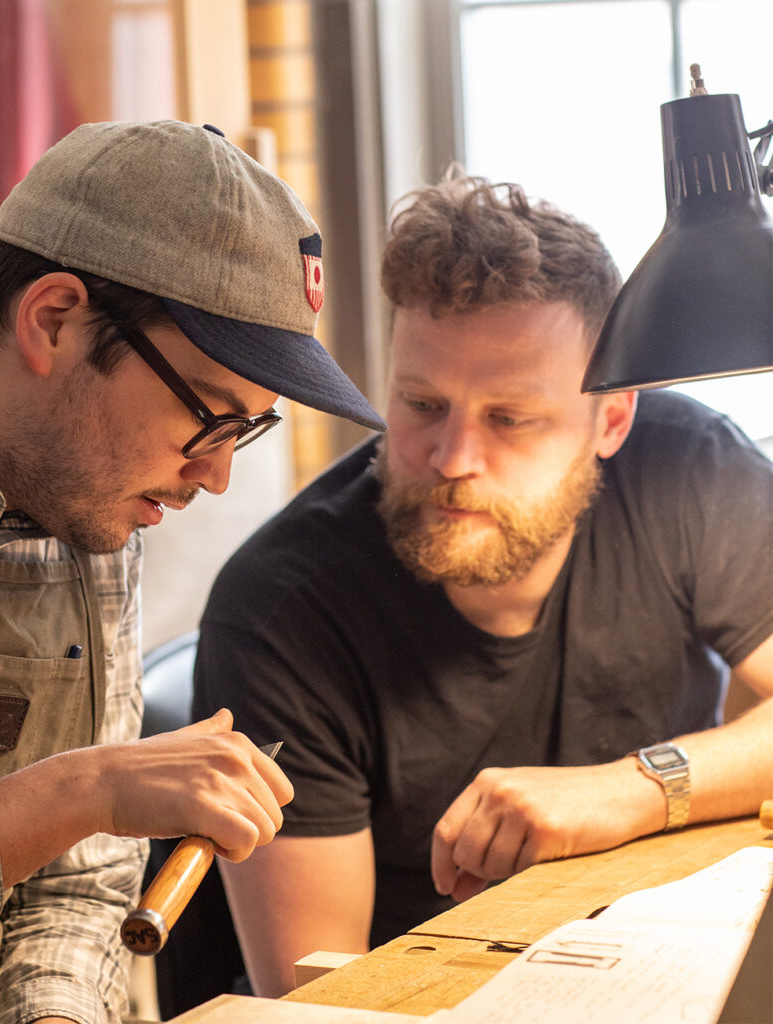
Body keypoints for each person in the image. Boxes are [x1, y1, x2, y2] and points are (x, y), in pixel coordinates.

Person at [0, 119, 385, 1023]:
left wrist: (53, 1014)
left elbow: (79, 889)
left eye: (249, 429)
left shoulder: (85, 502)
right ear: (54, 320)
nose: (216, 473)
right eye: (210, 416)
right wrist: (75, 791)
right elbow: (76, 816)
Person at [192, 169, 773, 996]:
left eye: (509, 419)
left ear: (610, 419)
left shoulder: (689, 472)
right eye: (421, 405)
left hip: (654, 969)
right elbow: (317, 998)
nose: (452, 460)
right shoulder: (282, 608)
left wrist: (635, 789)